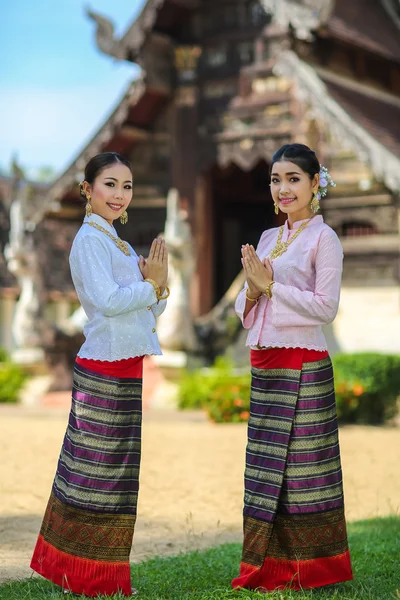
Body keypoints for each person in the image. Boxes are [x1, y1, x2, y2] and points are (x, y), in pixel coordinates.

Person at [30, 152, 169, 597]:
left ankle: (99, 575)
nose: (119, 194)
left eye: (126, 186)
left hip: (126, 367)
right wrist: (150, 285)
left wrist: (159, 287)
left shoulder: (120, 244)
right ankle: (78, 571)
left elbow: (145, 308)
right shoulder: (89, 241)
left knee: (117, 477)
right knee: (93, 475)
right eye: (110, 184)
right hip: (104, 367)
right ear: (88, 190)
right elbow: (109, 300)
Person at [232, 143, 353, 592]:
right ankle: (266, 564)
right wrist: (252, 291)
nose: (282, 189)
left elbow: (326, 308)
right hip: (265, 360)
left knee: (304, 469)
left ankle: (315, 568)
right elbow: (247, 307)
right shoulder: (266, 238)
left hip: (302, 361)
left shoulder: (326, 239)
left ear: (314, 183)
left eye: (293, 179)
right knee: (265, 470)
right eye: (275, 180)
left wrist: (272, 286)